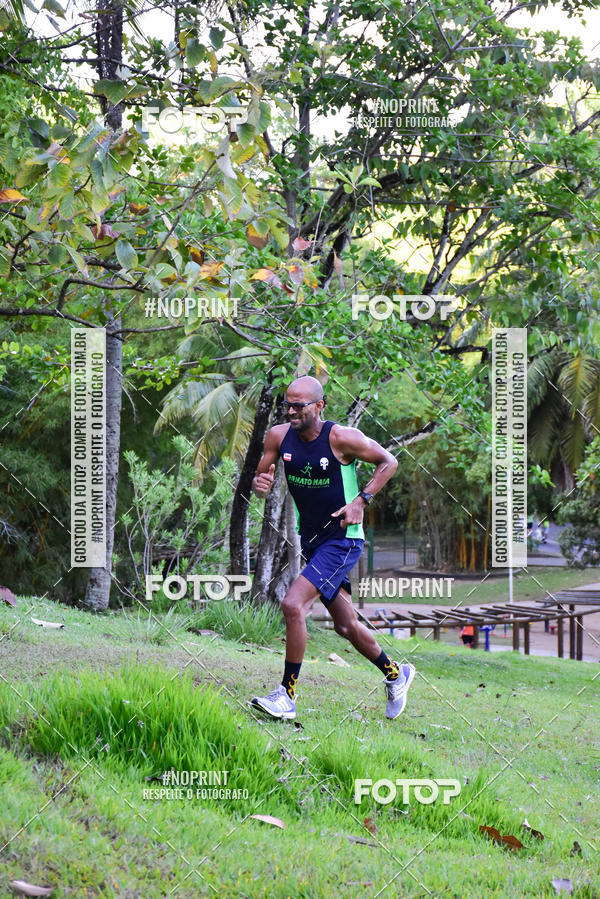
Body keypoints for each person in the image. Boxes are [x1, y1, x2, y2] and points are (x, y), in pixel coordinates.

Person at [249, 376, 416, 721]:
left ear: (319, 406)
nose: (291, 411)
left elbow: (389, 461)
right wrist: (259, 484)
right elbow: (260, 480)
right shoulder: (278, 436)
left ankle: (286, 695)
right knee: (346, 625)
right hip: (312, 540)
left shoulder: (342, 438)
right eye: (288, 405)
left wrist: (361, 500)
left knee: (293, 605)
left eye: (299, 406)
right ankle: (396, 675)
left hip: (343, 539)